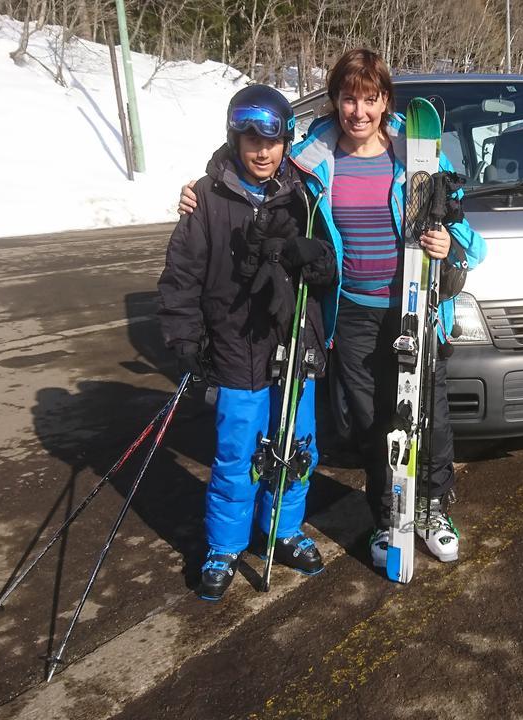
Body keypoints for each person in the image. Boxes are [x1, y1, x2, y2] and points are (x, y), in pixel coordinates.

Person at [179, 49, 486, 571]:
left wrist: (449, 244)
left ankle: (434, 510)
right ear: (335, 101)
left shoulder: (419, 153)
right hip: (352, 312)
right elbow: (256, 159)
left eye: (370, 98)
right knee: (371, 422)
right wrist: (201, 189)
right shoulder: (313, 157)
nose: (358, 111)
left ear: (386, 102)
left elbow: (464, 234)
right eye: (349, 98)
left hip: (413, 303)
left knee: (428, 416)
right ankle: (389, 515)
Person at [158, 84, 336, 601]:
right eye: (249, 138)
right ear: (234, 138)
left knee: (297, 446)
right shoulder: (208, 199)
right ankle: (225, 545)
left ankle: (283, 529)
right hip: (237, 348)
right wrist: (185, 340)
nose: (262, 150)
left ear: (286, 140)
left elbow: (329, 265)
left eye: (272, 139)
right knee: (238, 451)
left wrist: (316, 259)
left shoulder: (304, 193)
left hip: (293, 341)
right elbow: (181, 278)